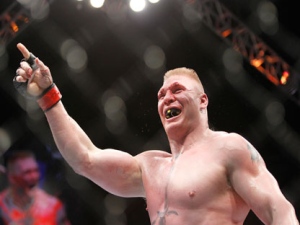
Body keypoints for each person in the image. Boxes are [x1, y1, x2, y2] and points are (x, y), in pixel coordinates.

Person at [13, 42, 299, 225]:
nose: (167, 98)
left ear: (202, 100)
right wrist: (49, 96)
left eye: (177, 90)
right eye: (162, 94)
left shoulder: (229, 148)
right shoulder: (150, 167)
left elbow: (278, 210)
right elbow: (84, 159)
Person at [0, 150, 70, 225]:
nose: (34, 176)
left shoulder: (52, 205)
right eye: (27, 172)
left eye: (36, 170)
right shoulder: (2, 204)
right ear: (12, 178)